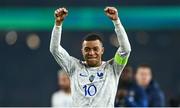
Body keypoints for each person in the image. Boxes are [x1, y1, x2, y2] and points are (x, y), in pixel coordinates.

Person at [50, 6, 131, 107]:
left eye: (95, 49)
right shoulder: (74, 67)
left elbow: (125, 50)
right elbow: (55, 49)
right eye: (87, 49)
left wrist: (116, 22)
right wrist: (58, 25)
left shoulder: (113, 67)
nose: (91, 53)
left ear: (102, 50)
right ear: (82, 51)